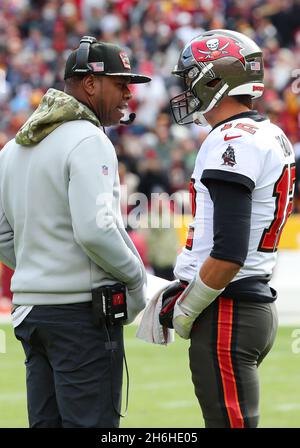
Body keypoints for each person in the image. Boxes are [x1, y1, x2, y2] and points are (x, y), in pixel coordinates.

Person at [0, 36, 151, 428]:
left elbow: (2, 235)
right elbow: (96, 231)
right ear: (90, 84)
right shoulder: (89, 139)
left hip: (32, 312)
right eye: (120, 83)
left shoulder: (13, 147)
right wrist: (136, 282)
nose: (129, 94)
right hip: (80, 318)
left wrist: (40, 268)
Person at [159, 29, 296, 428]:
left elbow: (229, 252)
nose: (185, 89)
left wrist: (188, 306)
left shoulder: (232, 139)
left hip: (229, 308)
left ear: (214, 79)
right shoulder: (266, 132)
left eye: (191, 78)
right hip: (249, 305)